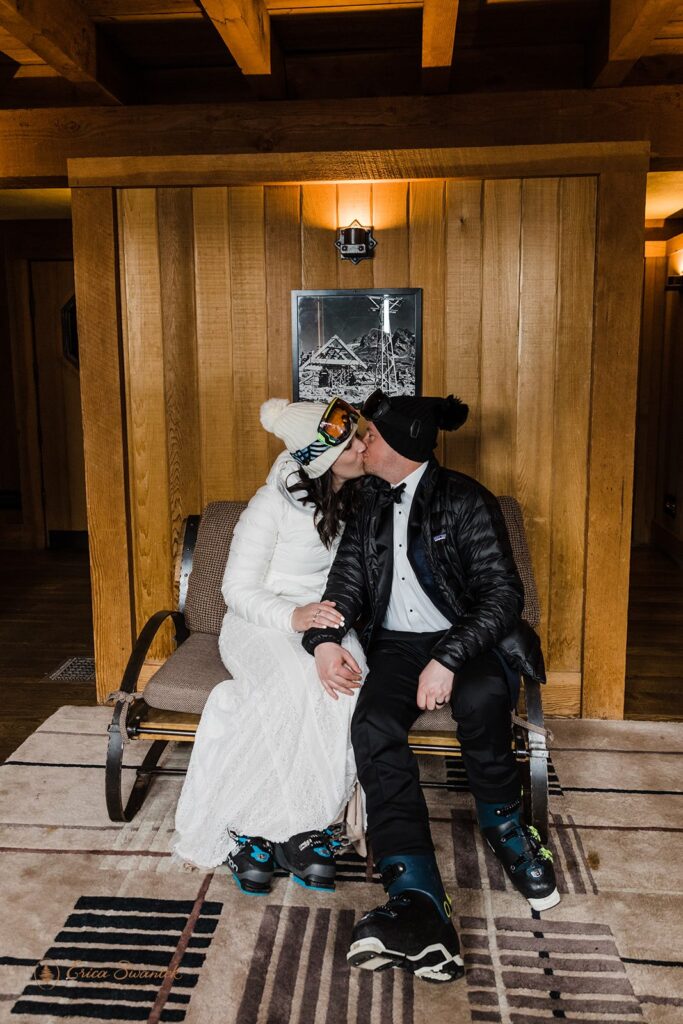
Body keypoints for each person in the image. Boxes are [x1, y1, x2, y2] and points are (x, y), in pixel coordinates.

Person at [303, 389, 556, 984]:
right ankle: (416, 890)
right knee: (372, 726)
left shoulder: (466, 499)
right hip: (395, 646)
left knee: (482, 698)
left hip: (467, 639)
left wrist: (447, 658)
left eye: (369, 436)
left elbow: (501, 596)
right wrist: (326, 640)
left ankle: (505, 825)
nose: (359, 444)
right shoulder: (367, 501)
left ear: (401, 446)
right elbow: (345, 584)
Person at [172, 396, 367, 894]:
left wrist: (320, 626)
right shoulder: (269, 505)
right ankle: (246, 828)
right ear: (322, 456)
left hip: (327, 620)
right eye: (350, 442)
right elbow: (235, 590)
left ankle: (304, 828)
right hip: (260, 622)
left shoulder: (360, 499)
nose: (363, 444)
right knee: (287, 687)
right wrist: (292, 615)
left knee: (343, 686)